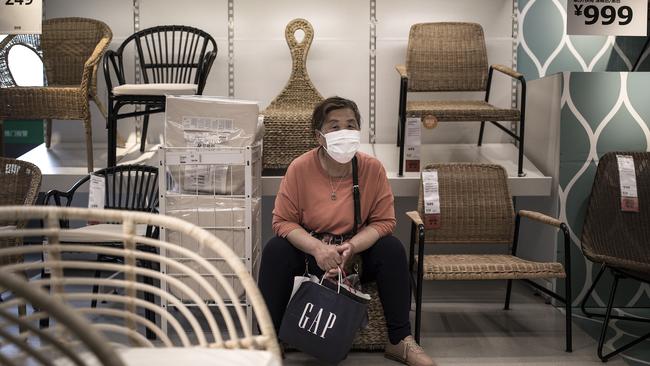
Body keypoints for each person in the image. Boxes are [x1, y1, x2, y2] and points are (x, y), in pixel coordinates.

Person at [258, 96, 436, 366]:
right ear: (319, 136)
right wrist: (318, 249)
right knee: (275, 250)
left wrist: (352, 247)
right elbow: (282, 221)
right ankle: (269, 340)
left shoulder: (371, 169)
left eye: (351, 125)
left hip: (356, 257)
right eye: (334, 126)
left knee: (392, 249)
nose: (344, 132)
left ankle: (400, 340)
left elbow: (384, 222)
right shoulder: (300, 168)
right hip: (311, 256)